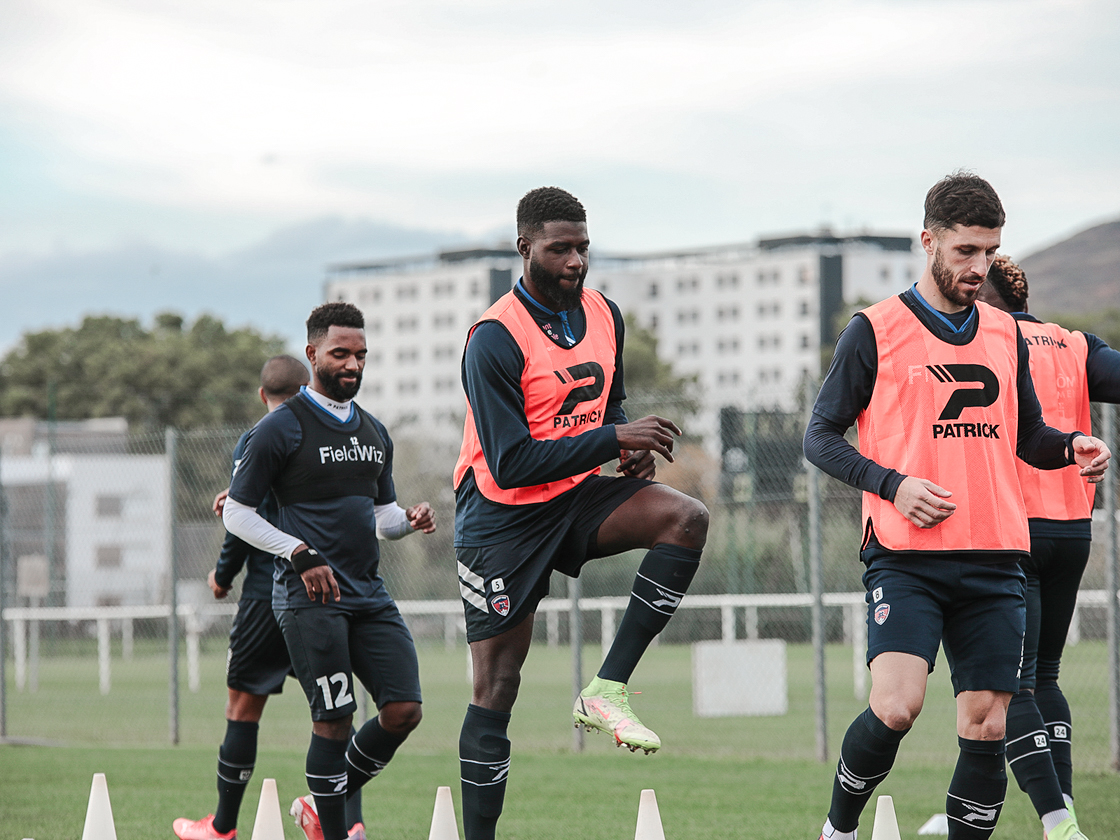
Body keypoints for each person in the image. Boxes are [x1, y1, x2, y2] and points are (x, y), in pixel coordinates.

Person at [802, 172, 1110, 840]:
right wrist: (892, 484)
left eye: (989, 252)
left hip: (998, 554)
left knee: (988, 723)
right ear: (929, 241)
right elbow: (819, 438)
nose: (979, 267)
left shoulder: (1005, 334)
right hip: (906, 558)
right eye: (965, 251)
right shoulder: (875, 330)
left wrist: (1073, 446)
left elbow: (1028, 435)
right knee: (896, 706)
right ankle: (839, 829)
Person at [453, 186, 709, 840]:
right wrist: (611, 440)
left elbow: (610, 405)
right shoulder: (492, 339)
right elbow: (510, 462)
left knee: (685, 518)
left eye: (582, 247)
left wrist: (629, 448)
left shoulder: (604, 314)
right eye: (559, 248)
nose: (574, 261)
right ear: (525, 248)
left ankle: (607, 689)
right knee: (497, 689)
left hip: (570, 494)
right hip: (501, 517)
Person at [222, 302, 436, 840]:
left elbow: (381, 517)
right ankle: (333, 827)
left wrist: (408, 521)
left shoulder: (374, 431)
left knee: (404, 709)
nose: (354, 365)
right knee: (334, 720)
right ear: (313, 353)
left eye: (361, 355)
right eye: (341, 353)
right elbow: (237, 513)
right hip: (308, 600)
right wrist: (297, 551)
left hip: (368, 593)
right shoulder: (281, 429)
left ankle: (321, 803)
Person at [977, 256, 1120, 840]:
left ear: (983, 298)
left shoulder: (987, 340)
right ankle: (1063, 819)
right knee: (1049, 676)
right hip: (1073, 528)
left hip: (1011, 529)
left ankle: (1058, 821)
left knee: (1013, 685)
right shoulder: (1075, 343)